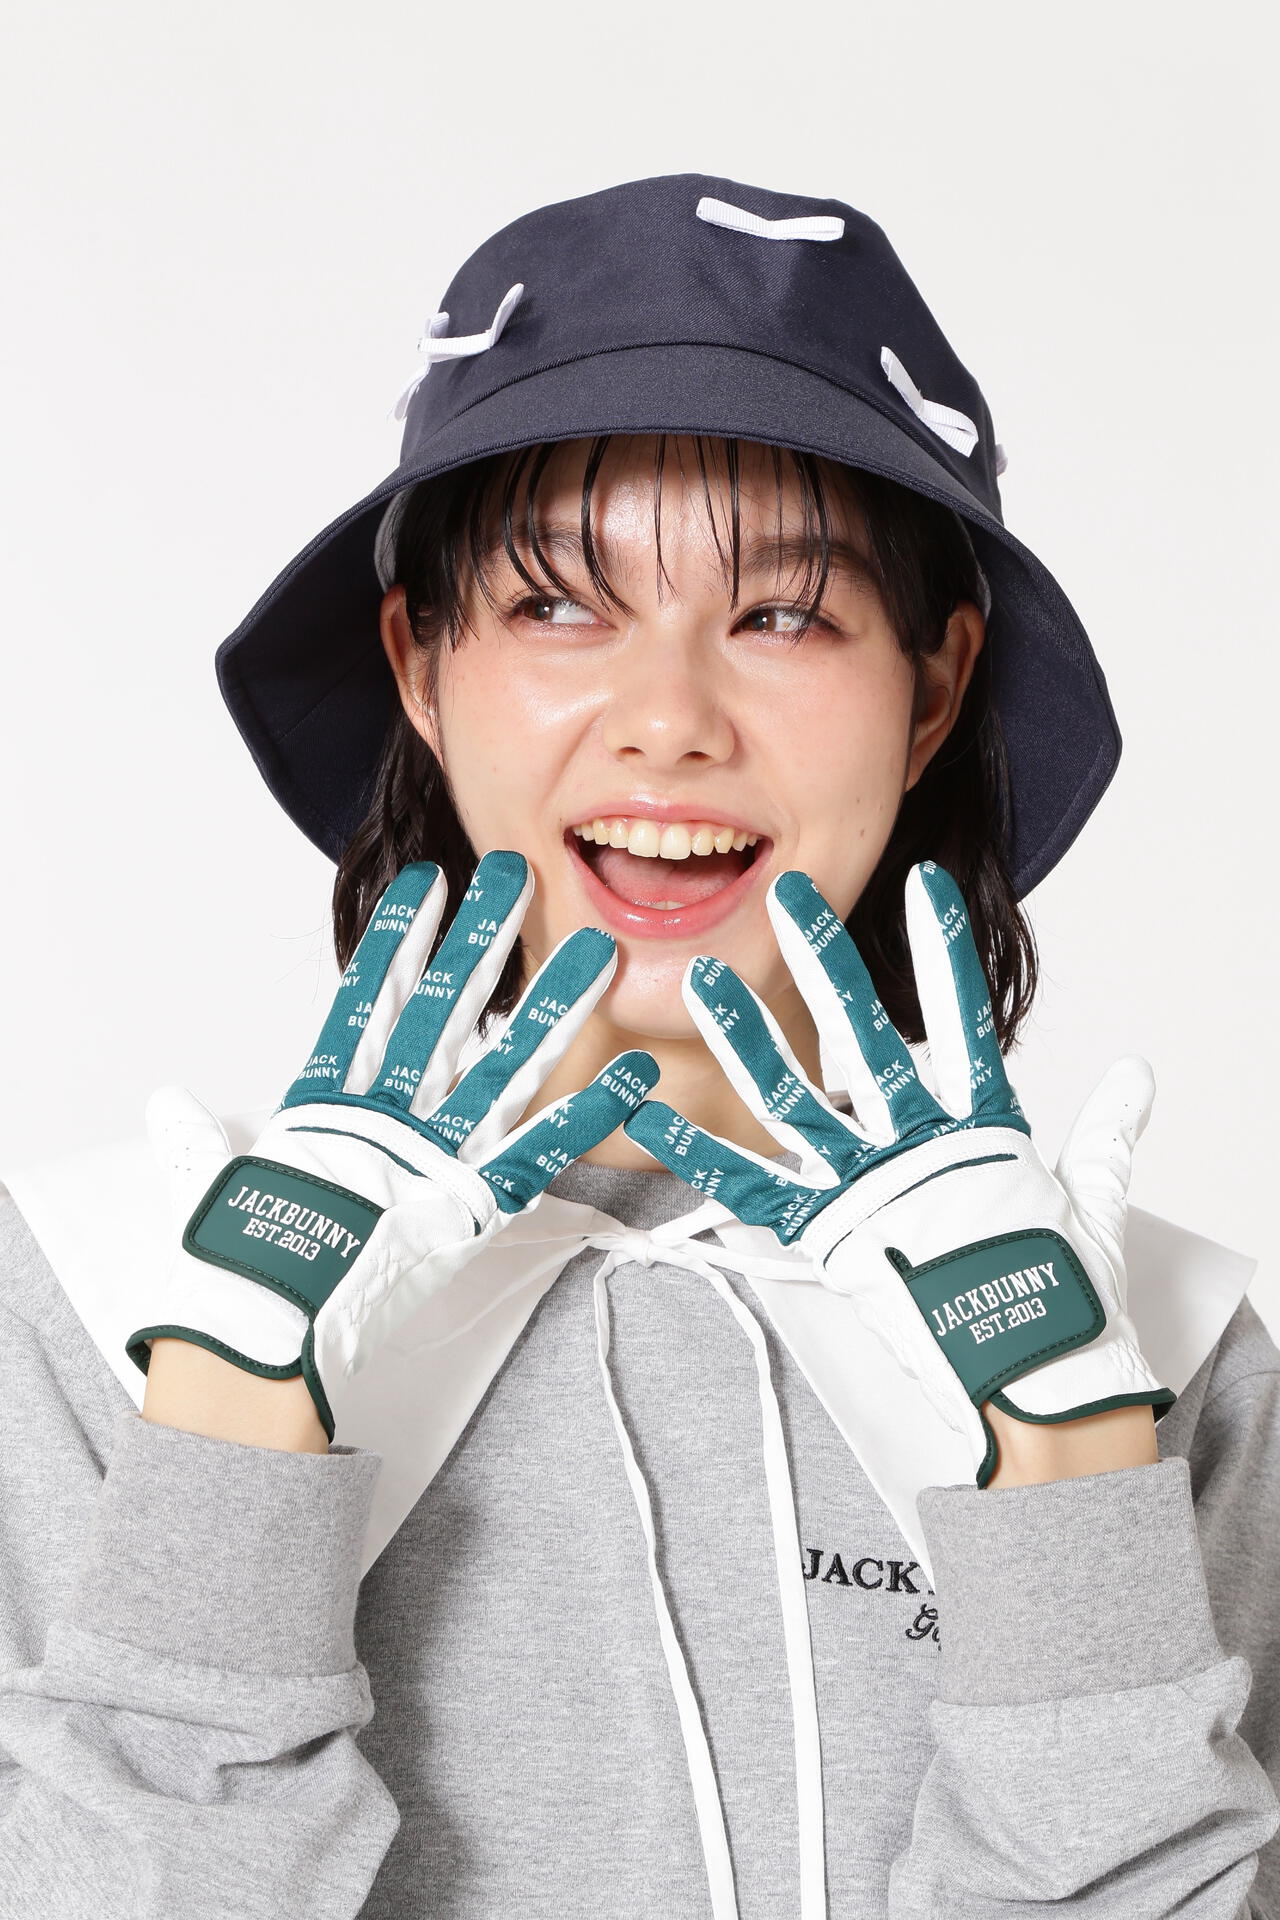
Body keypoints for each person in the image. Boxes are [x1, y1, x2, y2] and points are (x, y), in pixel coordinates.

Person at [2, 172, 1278, 1919]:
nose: (669, 722)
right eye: (557, 605)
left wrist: (1068, 1468)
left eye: (783, 615)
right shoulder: (100, 1306)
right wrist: (226, 1436)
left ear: (933, 689)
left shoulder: (1151, 1351)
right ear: (420, 663)